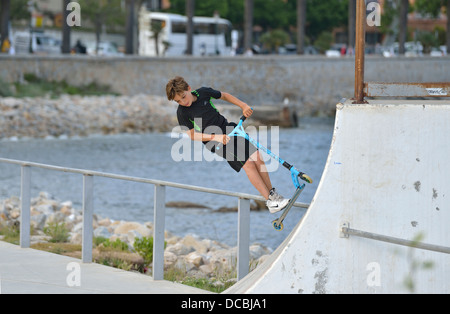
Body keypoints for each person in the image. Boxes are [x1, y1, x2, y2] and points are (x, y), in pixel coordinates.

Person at [166, 76, 290, 213]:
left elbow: (224, 96)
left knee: (258, 157)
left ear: (188, 88)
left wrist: (243, 105)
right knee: (248, 163)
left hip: (230, 129)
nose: (183, 102)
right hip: (215, 142)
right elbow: (192, 135)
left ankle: (274, 196)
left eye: (183, 97)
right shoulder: (182, 112)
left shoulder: (203, 93)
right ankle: (270, 201)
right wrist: (217, 137)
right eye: (178, 101)